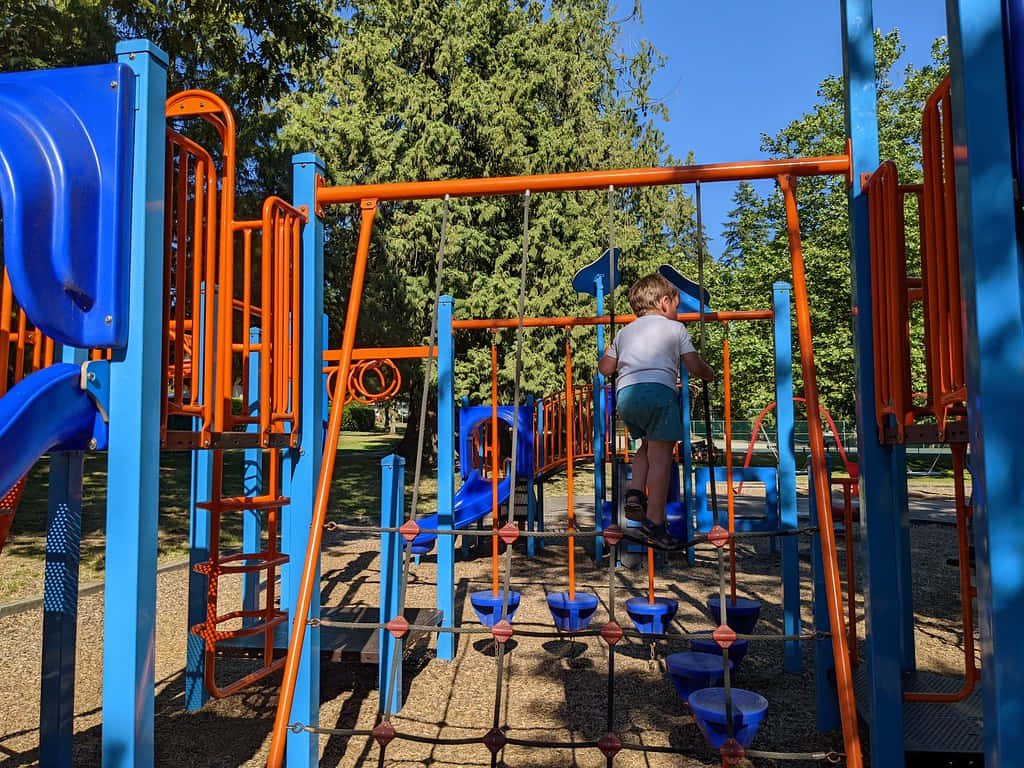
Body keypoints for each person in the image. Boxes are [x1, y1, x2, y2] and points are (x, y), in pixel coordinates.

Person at [597, 272, 715, 549]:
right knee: (662, 458)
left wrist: (612, 351)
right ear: (664, 303)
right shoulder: (676, 330)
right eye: (676, 306)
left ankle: (635, 492)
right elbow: (694, 366)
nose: (676, 312)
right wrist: (708, 373)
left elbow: (605, 369)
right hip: (659, 395)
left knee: (646, 447)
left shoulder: (624, 332)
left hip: (627, 398)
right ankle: (655, 523)